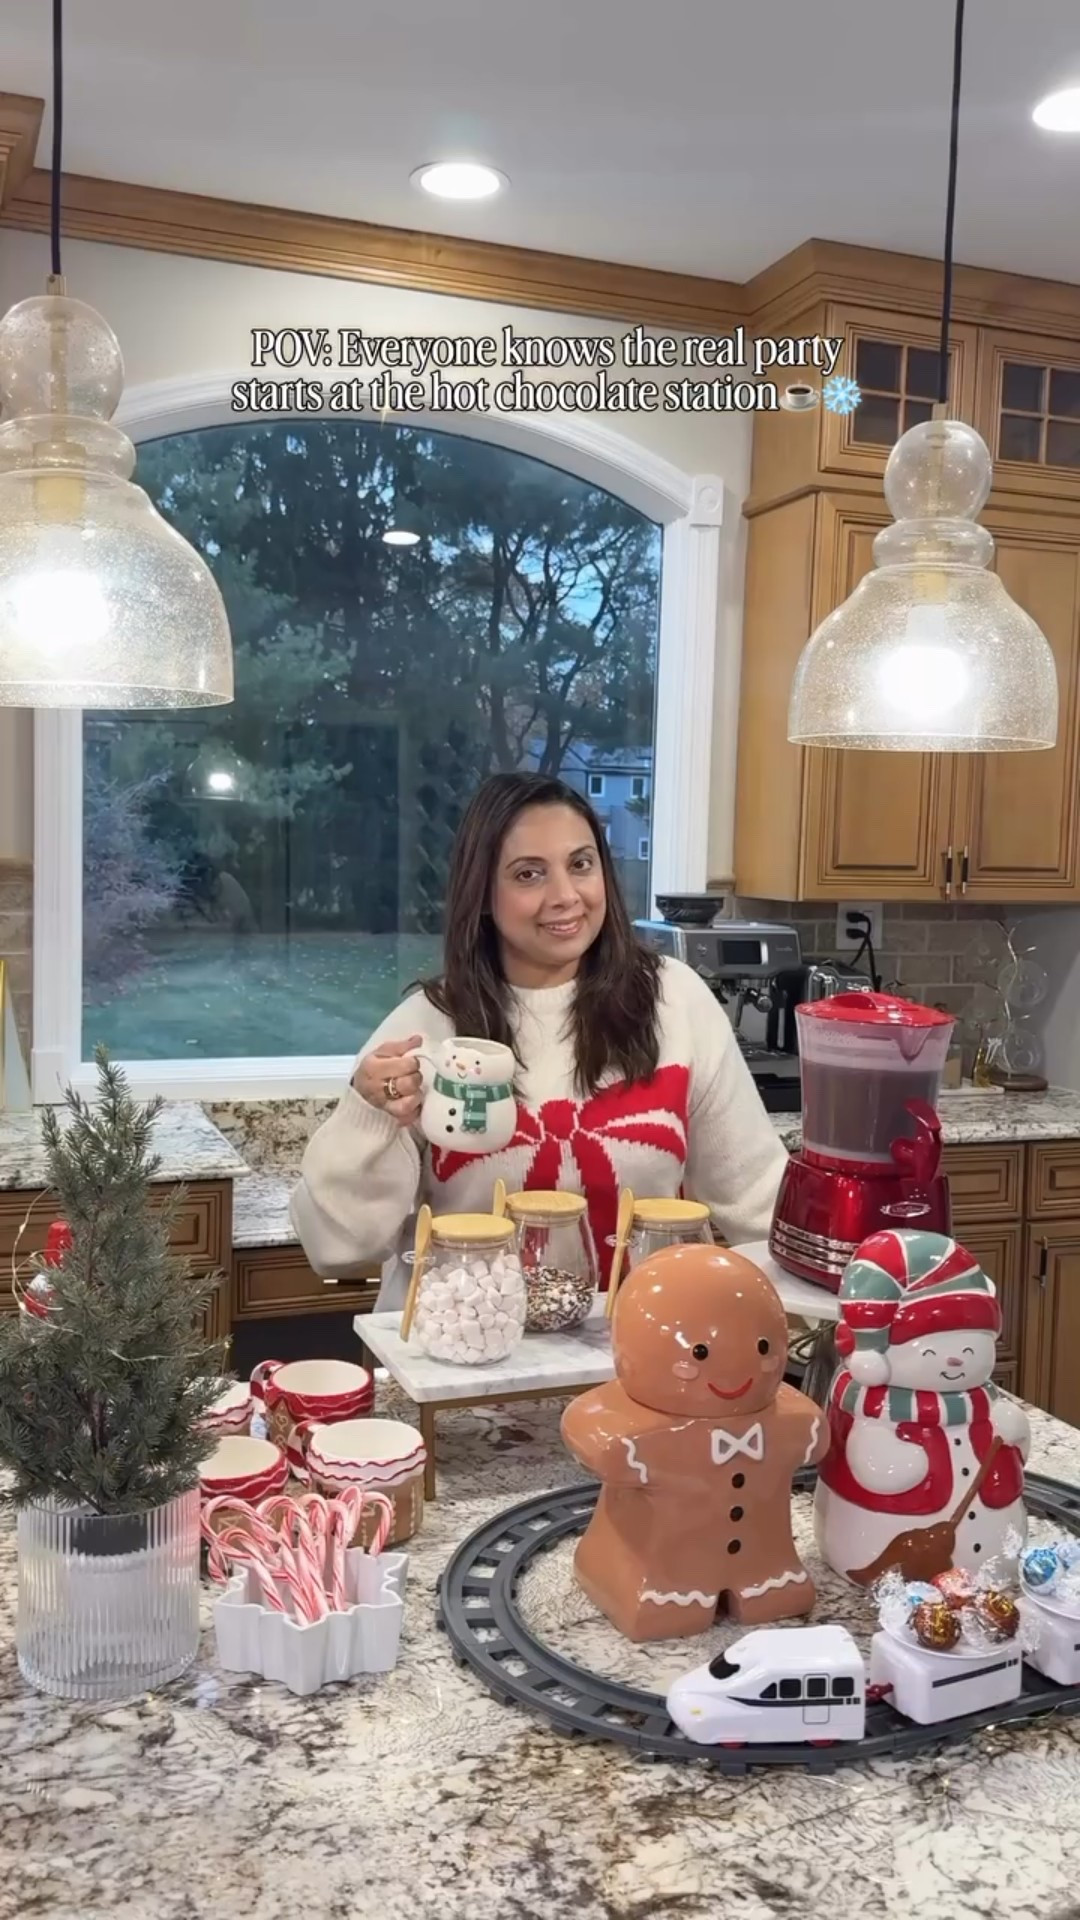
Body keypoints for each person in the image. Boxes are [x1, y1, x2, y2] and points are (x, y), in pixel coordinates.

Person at [290, 772, 789, 1300]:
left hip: (646, 1358)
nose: (566, 896)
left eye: (581, 864)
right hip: (465, 1359)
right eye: (528, 874)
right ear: (482, 895)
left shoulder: (675, 1000)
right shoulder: (427, 1030)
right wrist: (367, 1115)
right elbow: (337, 1249)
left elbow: (761, 1203)